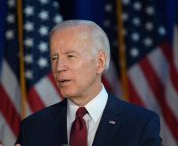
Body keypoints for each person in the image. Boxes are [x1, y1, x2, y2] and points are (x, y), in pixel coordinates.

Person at [16, 20, 161, 146]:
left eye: (71, 56)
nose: (59, 67)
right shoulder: (33, 127)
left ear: (99, 62)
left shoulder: (140, 124)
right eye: (54, 58)